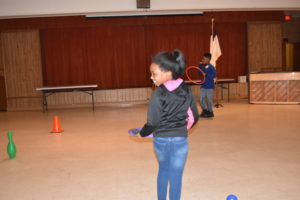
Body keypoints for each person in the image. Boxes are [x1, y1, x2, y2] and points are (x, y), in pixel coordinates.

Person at [136, 49, 199, 200]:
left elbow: (153, 121)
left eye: (154, 73)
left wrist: (142, 133)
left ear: (168, 72)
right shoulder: (186, 90)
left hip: (161, 140)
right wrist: (183, 129)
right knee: (176, 175)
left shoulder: (159, 93)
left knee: (164, 169)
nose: (151, 77)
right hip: (180, 140)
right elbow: (194, 116)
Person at [198, 53, 216, 118]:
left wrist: (206, 75)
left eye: (204, 59)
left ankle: (210, 112)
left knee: (209, 100)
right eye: (203, 58)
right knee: (201, 99)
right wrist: (200, 65)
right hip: (203, 86)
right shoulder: (202, 66)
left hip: (209, 87)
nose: (203, 60)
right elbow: (199, 72)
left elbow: (214, 75)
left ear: (208, 59)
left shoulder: (211, 67)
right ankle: (205, 110)